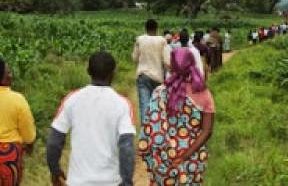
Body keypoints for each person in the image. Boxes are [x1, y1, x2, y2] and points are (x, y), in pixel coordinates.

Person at [46, 51, 135, 186]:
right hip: (110, 181)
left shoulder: (72, 99)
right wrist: (127, 181)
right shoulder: (122, 104)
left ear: (88, 71)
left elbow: (54, 141)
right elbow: (126, 147)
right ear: (113, 73)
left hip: (77, 181)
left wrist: (55, 170)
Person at [138, 48, 215, 185]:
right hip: (192, 159)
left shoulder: (159, 92)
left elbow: (149, 128)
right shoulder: (204, 94)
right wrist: (184, 156)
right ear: (192, 64)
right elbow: (207, 131)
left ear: (171, 66)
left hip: (164, 159)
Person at [0, 58, 36, 186]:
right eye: (8, 72)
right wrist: (30, 146)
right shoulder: (17, 99)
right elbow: (29, 135)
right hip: (8, 157)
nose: (11, 75)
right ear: (3, 77)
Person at [132, 19, 170, 124]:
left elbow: (135, 58)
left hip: (143, 75)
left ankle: (145, 133)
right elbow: (167, 61)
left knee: (144, 104)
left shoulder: (139, 39)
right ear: (157, 29)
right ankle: (156, 130)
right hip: (158, 77)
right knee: (157, 105)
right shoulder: (162, 41)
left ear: (146, 28)